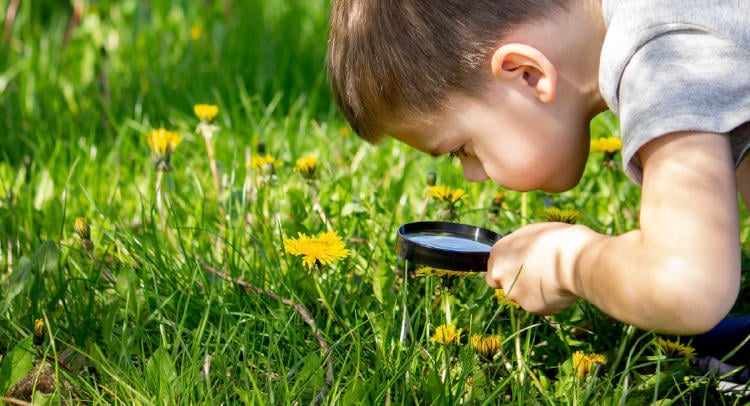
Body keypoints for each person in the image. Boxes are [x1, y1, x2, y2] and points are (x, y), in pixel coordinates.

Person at [326, 0, 750, 336]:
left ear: (526, 74)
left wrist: (572, 261)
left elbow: (687, 285)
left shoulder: (665, 51)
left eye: (462, 149)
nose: (472, 175)